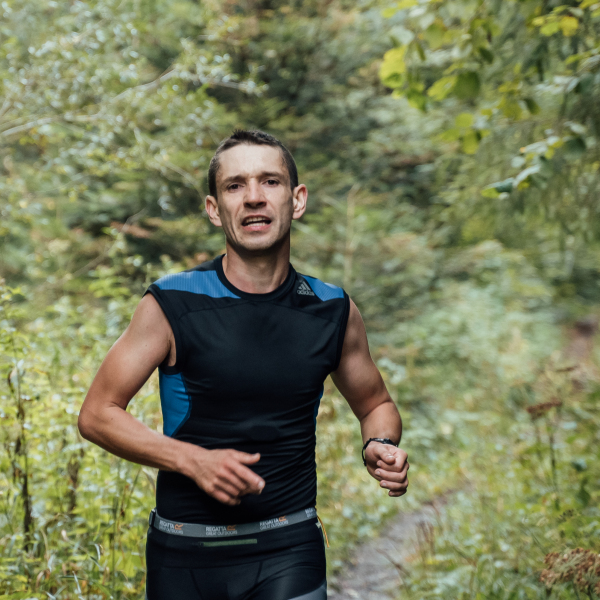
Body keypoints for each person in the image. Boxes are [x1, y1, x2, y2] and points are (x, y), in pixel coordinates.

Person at [78, 129, 409, 600]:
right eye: (235, 186)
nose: (254, 197)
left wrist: (380, 443)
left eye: (270, 181)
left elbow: (375, 404)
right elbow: (97, 414)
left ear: (297, 200)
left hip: (290, 546)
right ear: (215, 209)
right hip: (183, 555)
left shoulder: (332, 310)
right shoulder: (172, 302)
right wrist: (191, 460)